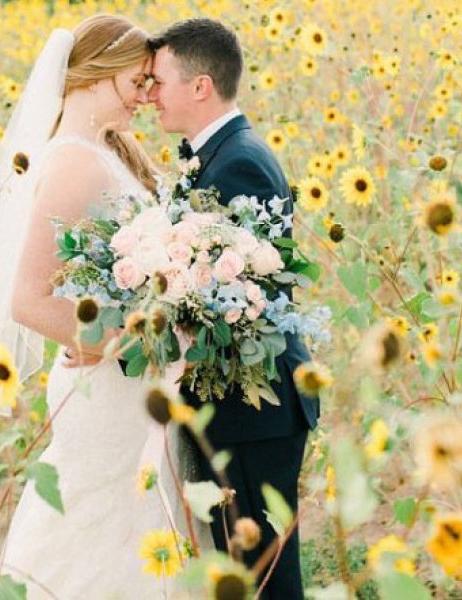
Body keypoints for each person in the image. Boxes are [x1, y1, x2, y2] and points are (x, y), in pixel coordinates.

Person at [0, 14, 210, 599]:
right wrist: (128, 343)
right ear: (95, 74)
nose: (145, 96)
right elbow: (29, 300)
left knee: (140, 531)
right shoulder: (72, 160)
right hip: (108, 386)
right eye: (136, 82)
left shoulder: (108, 151)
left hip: (132, 384)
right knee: (89, 531)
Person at [147, 18, 320, 599]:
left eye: (159, 81)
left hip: (254, 405)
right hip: (243, 404)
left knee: (265, 576)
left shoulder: (237, 162)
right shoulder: (218, 153)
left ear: (200, 86)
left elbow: (251, 298)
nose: (150, 95)